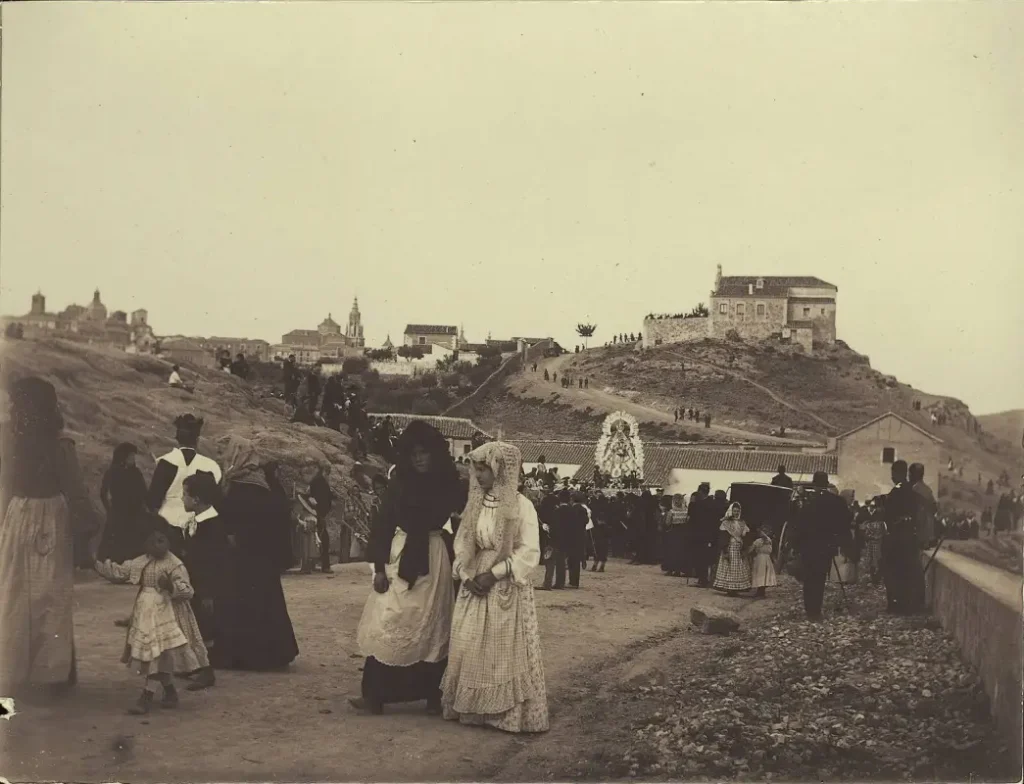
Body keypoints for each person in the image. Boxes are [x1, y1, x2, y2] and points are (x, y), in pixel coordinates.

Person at [352, 421, 463, 715]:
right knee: (390, 619)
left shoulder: (448, 483)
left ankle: (433, 697)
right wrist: (377, 568)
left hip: (434, 555)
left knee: (432, 623)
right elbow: (383, 525)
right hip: (400, 555)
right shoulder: (399, 483)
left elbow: (464, 519)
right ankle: (375, 695)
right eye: (413, 453)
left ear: (435, 454)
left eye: (424, 453)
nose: (419, 459)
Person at [0, 377, 101, 695]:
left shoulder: (7, 440)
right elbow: (75, 490)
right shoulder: (60, 445)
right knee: (50, 594)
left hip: (17, 514)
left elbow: (5, 483)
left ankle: (15, 669)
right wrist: (89, 525)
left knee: (15, 592)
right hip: (51, 517)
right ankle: (50, 674)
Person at [441, 441, 549, 733]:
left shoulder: (521, 506)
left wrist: (495, 573)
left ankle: (505, 714)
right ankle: (475, 709)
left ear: (501, 470)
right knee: (472, 643)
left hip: (505, 582)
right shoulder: (476, 503)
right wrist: (466, 574)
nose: (479, 475)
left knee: (504, 647)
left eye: (484, 469)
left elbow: (530, 551)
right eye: (476, 469)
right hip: (476, 578)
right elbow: (463, 541)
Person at [94, 529, 210, 714]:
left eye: (162, 540)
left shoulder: (174, 565)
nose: (158, 545)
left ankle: (146, 697)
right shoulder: (141, 562)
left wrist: (171, 586)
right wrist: (100, 564)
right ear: (145, 544)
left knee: (158, 655)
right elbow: (120, 572)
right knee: (156, 655)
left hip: (167, 615)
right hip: (146, 615)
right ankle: (170, 692)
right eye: (153, 541)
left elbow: (188, 590)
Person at [208, 436, 299, 670]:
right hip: (263, 558)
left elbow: (228, 520)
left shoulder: (238, 487)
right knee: (265, 603)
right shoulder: (265, 484)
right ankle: (272, 654)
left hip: (242, 557)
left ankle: (243, 656)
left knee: (241, 604)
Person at [147, 414, 223, 557]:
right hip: (199, 526)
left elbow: (153, 499)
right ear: (197, 439)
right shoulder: (210, 466)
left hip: (168, 524)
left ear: (177, 438)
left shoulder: (166, 462)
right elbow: (215, 499)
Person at [179, 471, 225, 690]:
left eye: (185, 495)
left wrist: (208, 592)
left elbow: (212, 562)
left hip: (205, 585)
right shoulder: (196, 521)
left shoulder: (212, 525)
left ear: (196, 499)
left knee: (204, 629)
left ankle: (206, 671)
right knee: (192, 625)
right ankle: (194, 666)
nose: (182, 499)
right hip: (194, 583)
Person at [793, 471, 852, 621]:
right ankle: (816, 610)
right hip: (827, 545)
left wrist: (795, 546)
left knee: (809, 578)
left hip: (808, 546)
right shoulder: (837, 502)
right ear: (827, 484)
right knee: (820, 577)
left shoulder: (808, 502)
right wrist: (843, 543)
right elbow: (845, 523)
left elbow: (799, 525)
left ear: (814, 484)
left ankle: (810, 611)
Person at [883, 460, 926, 614]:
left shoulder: (895, 492)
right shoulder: (914, 491)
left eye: (893, 474)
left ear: (896, 473)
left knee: (893, 571)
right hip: (911, 538)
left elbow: (887, 515)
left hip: (896, 538)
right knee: (908, 572)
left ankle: (896, 604)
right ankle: (908, 604)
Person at [98, 443, 151, 564]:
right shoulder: (112, 472)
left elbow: (144, 492)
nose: (133, 459)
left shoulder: (136, 472)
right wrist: (109, 509)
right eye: (131, 456)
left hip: (135, 513)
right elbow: (103, 493)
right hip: (118, 512)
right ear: (123, 457)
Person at [712, 503, 752, 596]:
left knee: (738, 567)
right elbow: (723, 536)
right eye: (734, 511)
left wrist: (744, 540)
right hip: (729, 546)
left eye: (738, 511)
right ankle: (729, 588)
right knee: (729, 566)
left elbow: (746, 534)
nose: (736, 513)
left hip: (739, 547)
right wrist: (725, 549)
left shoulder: (742, 522)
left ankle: (736, 588)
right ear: (731, 511)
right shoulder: (726, 522)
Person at [307, 463, 335, 574]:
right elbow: (322, 498)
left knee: (317, 539)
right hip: (319, 513)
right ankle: (325, 565)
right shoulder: (320, 481)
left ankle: (314, 564)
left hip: (318, 512)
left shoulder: (317, 481)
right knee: (323, 539)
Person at [909, 463, 937, 547]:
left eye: (910, 474)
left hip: (915, 533)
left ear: (914, 475)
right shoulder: (928, 490)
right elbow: (934, 509)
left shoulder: (913, 489)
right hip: (926, 535)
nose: (909, 476)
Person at [661, 493, 688, 577]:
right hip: (683, 532)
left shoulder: (671, 512)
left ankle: (670, 569)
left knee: (671, 551)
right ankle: (678, 570)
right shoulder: (686, 511)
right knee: (680, 551)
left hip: (673, 532)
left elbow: (668, 523)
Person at [747, 526, 777, 598]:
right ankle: (760, 592)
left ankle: (761, 592)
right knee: (763, 574)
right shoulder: (767, 540)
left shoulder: (761, 541)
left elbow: (750, 549)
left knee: (761, 574)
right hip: (766, 558)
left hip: (761, 558)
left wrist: (747, 552)